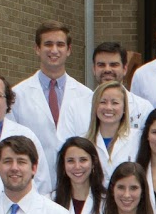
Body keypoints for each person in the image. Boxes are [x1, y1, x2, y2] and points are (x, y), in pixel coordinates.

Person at [10, 21, 93, 155]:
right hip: (34, 174)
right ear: (37, 49)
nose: (54, 50)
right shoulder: (17, 95)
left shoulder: (86, 95)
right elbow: (12, 142)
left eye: (60, 44)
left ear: (69, 50)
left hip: (75, 173)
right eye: (48, 44)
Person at [90, 41, 154, 134]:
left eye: (114, 65)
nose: (107, 69)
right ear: (94, 69)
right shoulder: (77, 107)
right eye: (101, 65)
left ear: (125, 69)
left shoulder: (143, 108)